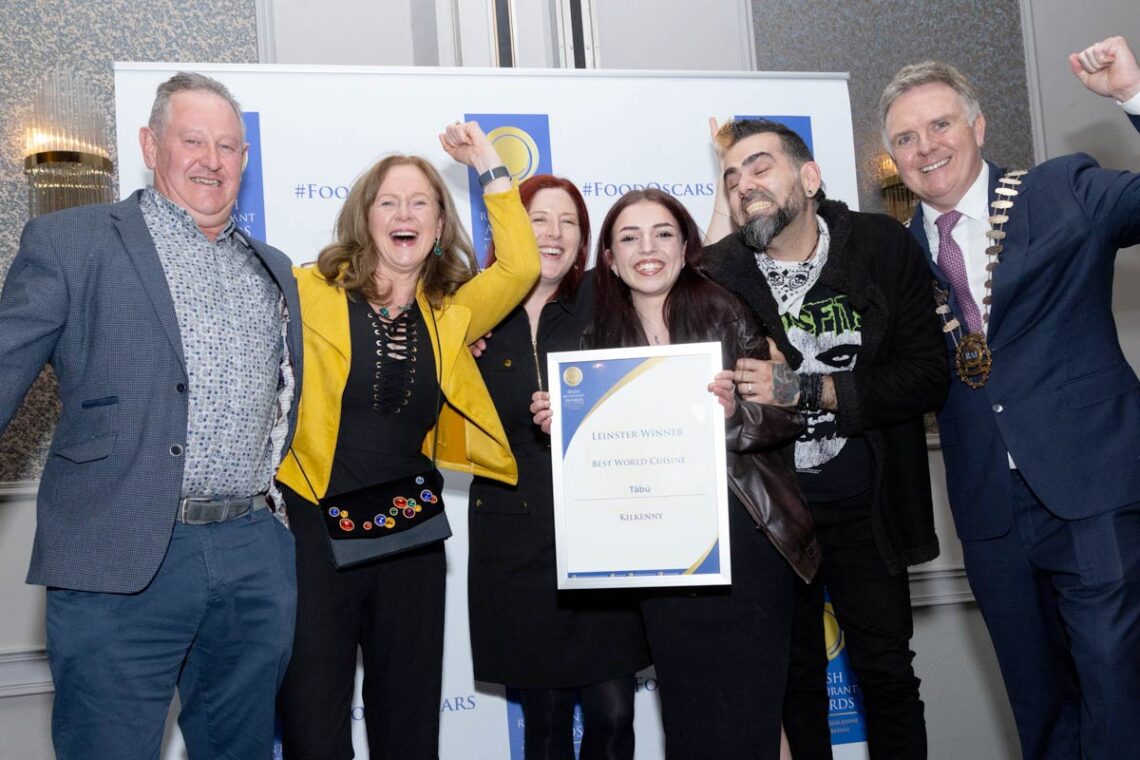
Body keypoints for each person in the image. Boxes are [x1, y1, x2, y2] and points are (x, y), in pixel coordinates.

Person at [0, 72, 302, 759]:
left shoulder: (274, 268)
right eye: (193, 140)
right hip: (119, 553)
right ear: (149, 143)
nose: (212, 159)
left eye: (229, 146)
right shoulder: (70, 242)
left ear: (245, 160)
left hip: (251, 553)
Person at [880, 35, 1140, 759]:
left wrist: (1132, 95)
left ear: (978, 127)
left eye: (940, 125)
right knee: (1041, 707)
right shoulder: (895, 255)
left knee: (1118, 695)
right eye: (906, 137)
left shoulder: (1060, 191)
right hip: (991, 514)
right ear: (892, 159)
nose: (926, 147)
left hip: (1092, 490)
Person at [274, 122, 540, 759]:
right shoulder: (308, 289)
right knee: (312, 716)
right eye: (388, 201)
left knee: (410, 717)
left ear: (439, 226)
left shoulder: (454, 310)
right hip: (314, 521)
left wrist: (484, 162)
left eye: (421, 202)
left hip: (409, 530)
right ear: (364, 220)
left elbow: (524, 264)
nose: (405, 213)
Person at [533, 188, 818, 759]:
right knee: (691, 713)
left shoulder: (726, 309)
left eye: (663, 233)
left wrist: (737, 414)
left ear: (685, 246)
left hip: (748, 536)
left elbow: (788, 409)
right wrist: (564, 426)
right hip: (665, 551)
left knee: (759, 711)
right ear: (609, 257)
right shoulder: (596, 343)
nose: (648, 249)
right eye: (629, 237)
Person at [702, 118, 948, 760]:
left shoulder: (879, 247)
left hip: (869, 507)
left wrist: (808, 389)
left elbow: (927, 376)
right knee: (794, 685)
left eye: (759, 168)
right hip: (771, 518)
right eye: (731, 178)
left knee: (889, 675)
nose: (743, 185)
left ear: (809, 178)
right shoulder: (719, 275)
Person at [468, 174, 650, 760]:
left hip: (602, 535)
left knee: (615, 714)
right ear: (511, 231)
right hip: (513, 540)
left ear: (584, 239)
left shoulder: (608, 298)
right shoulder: (470, 312)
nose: (553, 233)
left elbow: (689, 266)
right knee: (544, 727)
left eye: (568, 221)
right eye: (537, 220)